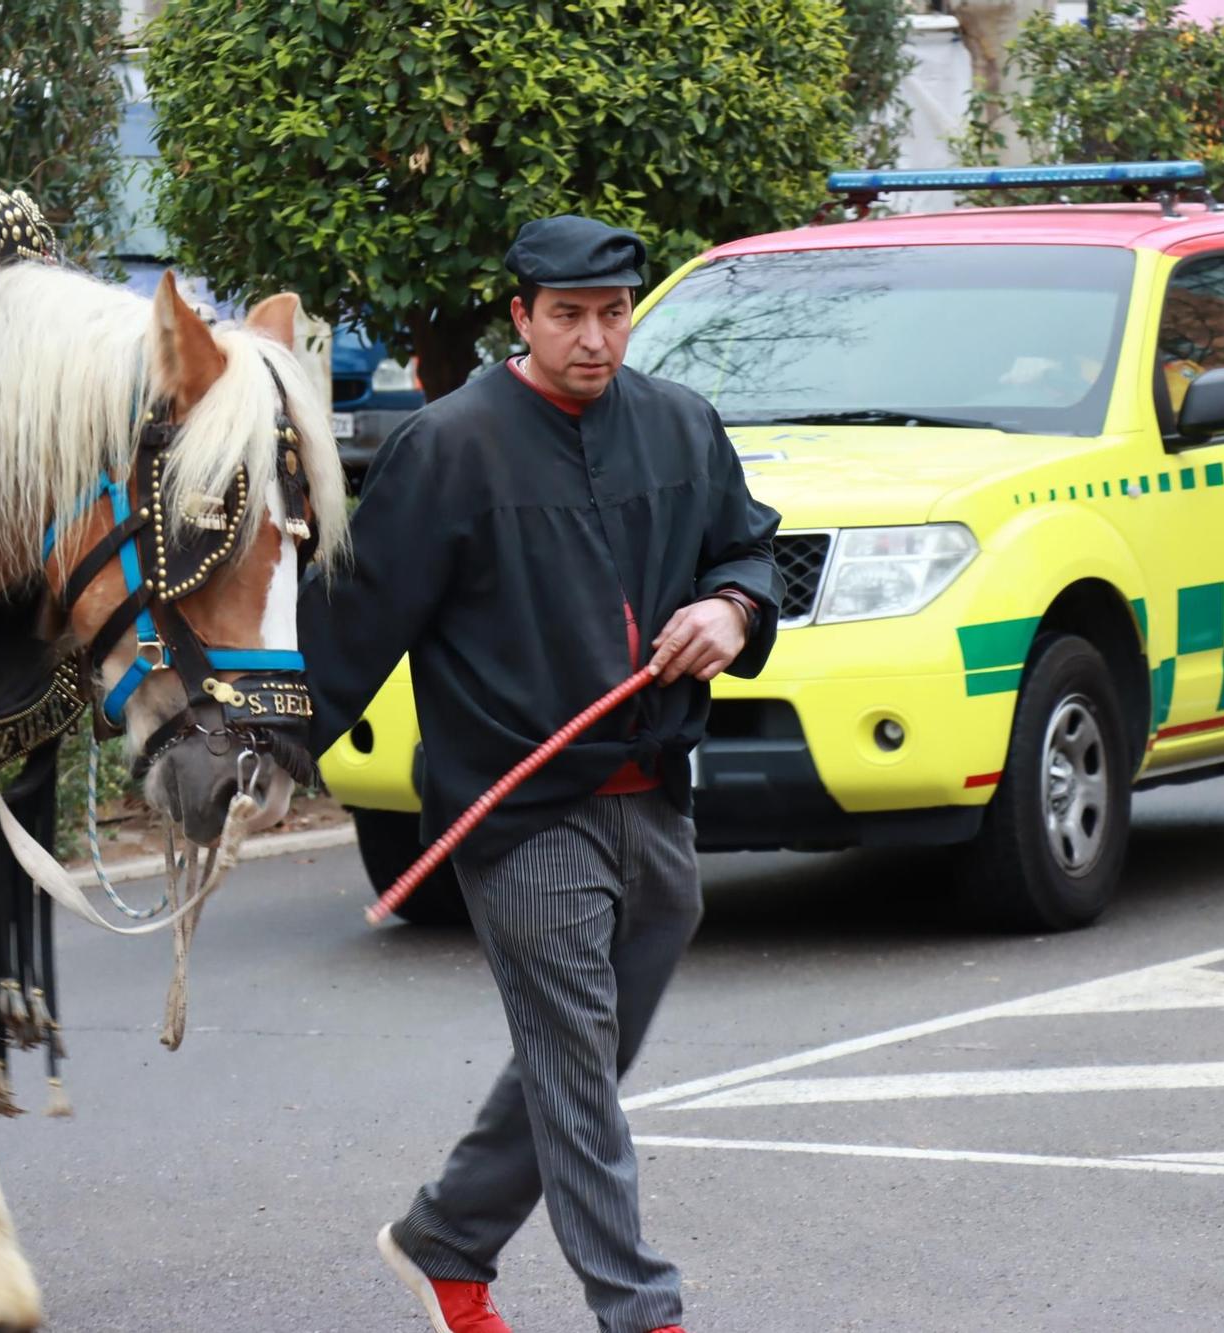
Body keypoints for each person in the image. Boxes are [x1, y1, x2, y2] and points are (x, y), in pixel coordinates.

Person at [298, 215, 781, 1333]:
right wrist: (252, 739)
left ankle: (444, 1240)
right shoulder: (450, 444)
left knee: (587, 1060)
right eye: (567, 316)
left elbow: (748, 547)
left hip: (653, 794)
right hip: (515, 814)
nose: (594, 341)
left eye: (613, 314)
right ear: (519, 317)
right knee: (575, 1066)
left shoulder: (679, 425)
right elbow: (348, 618)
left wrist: (730, 607)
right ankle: (641, 1313)